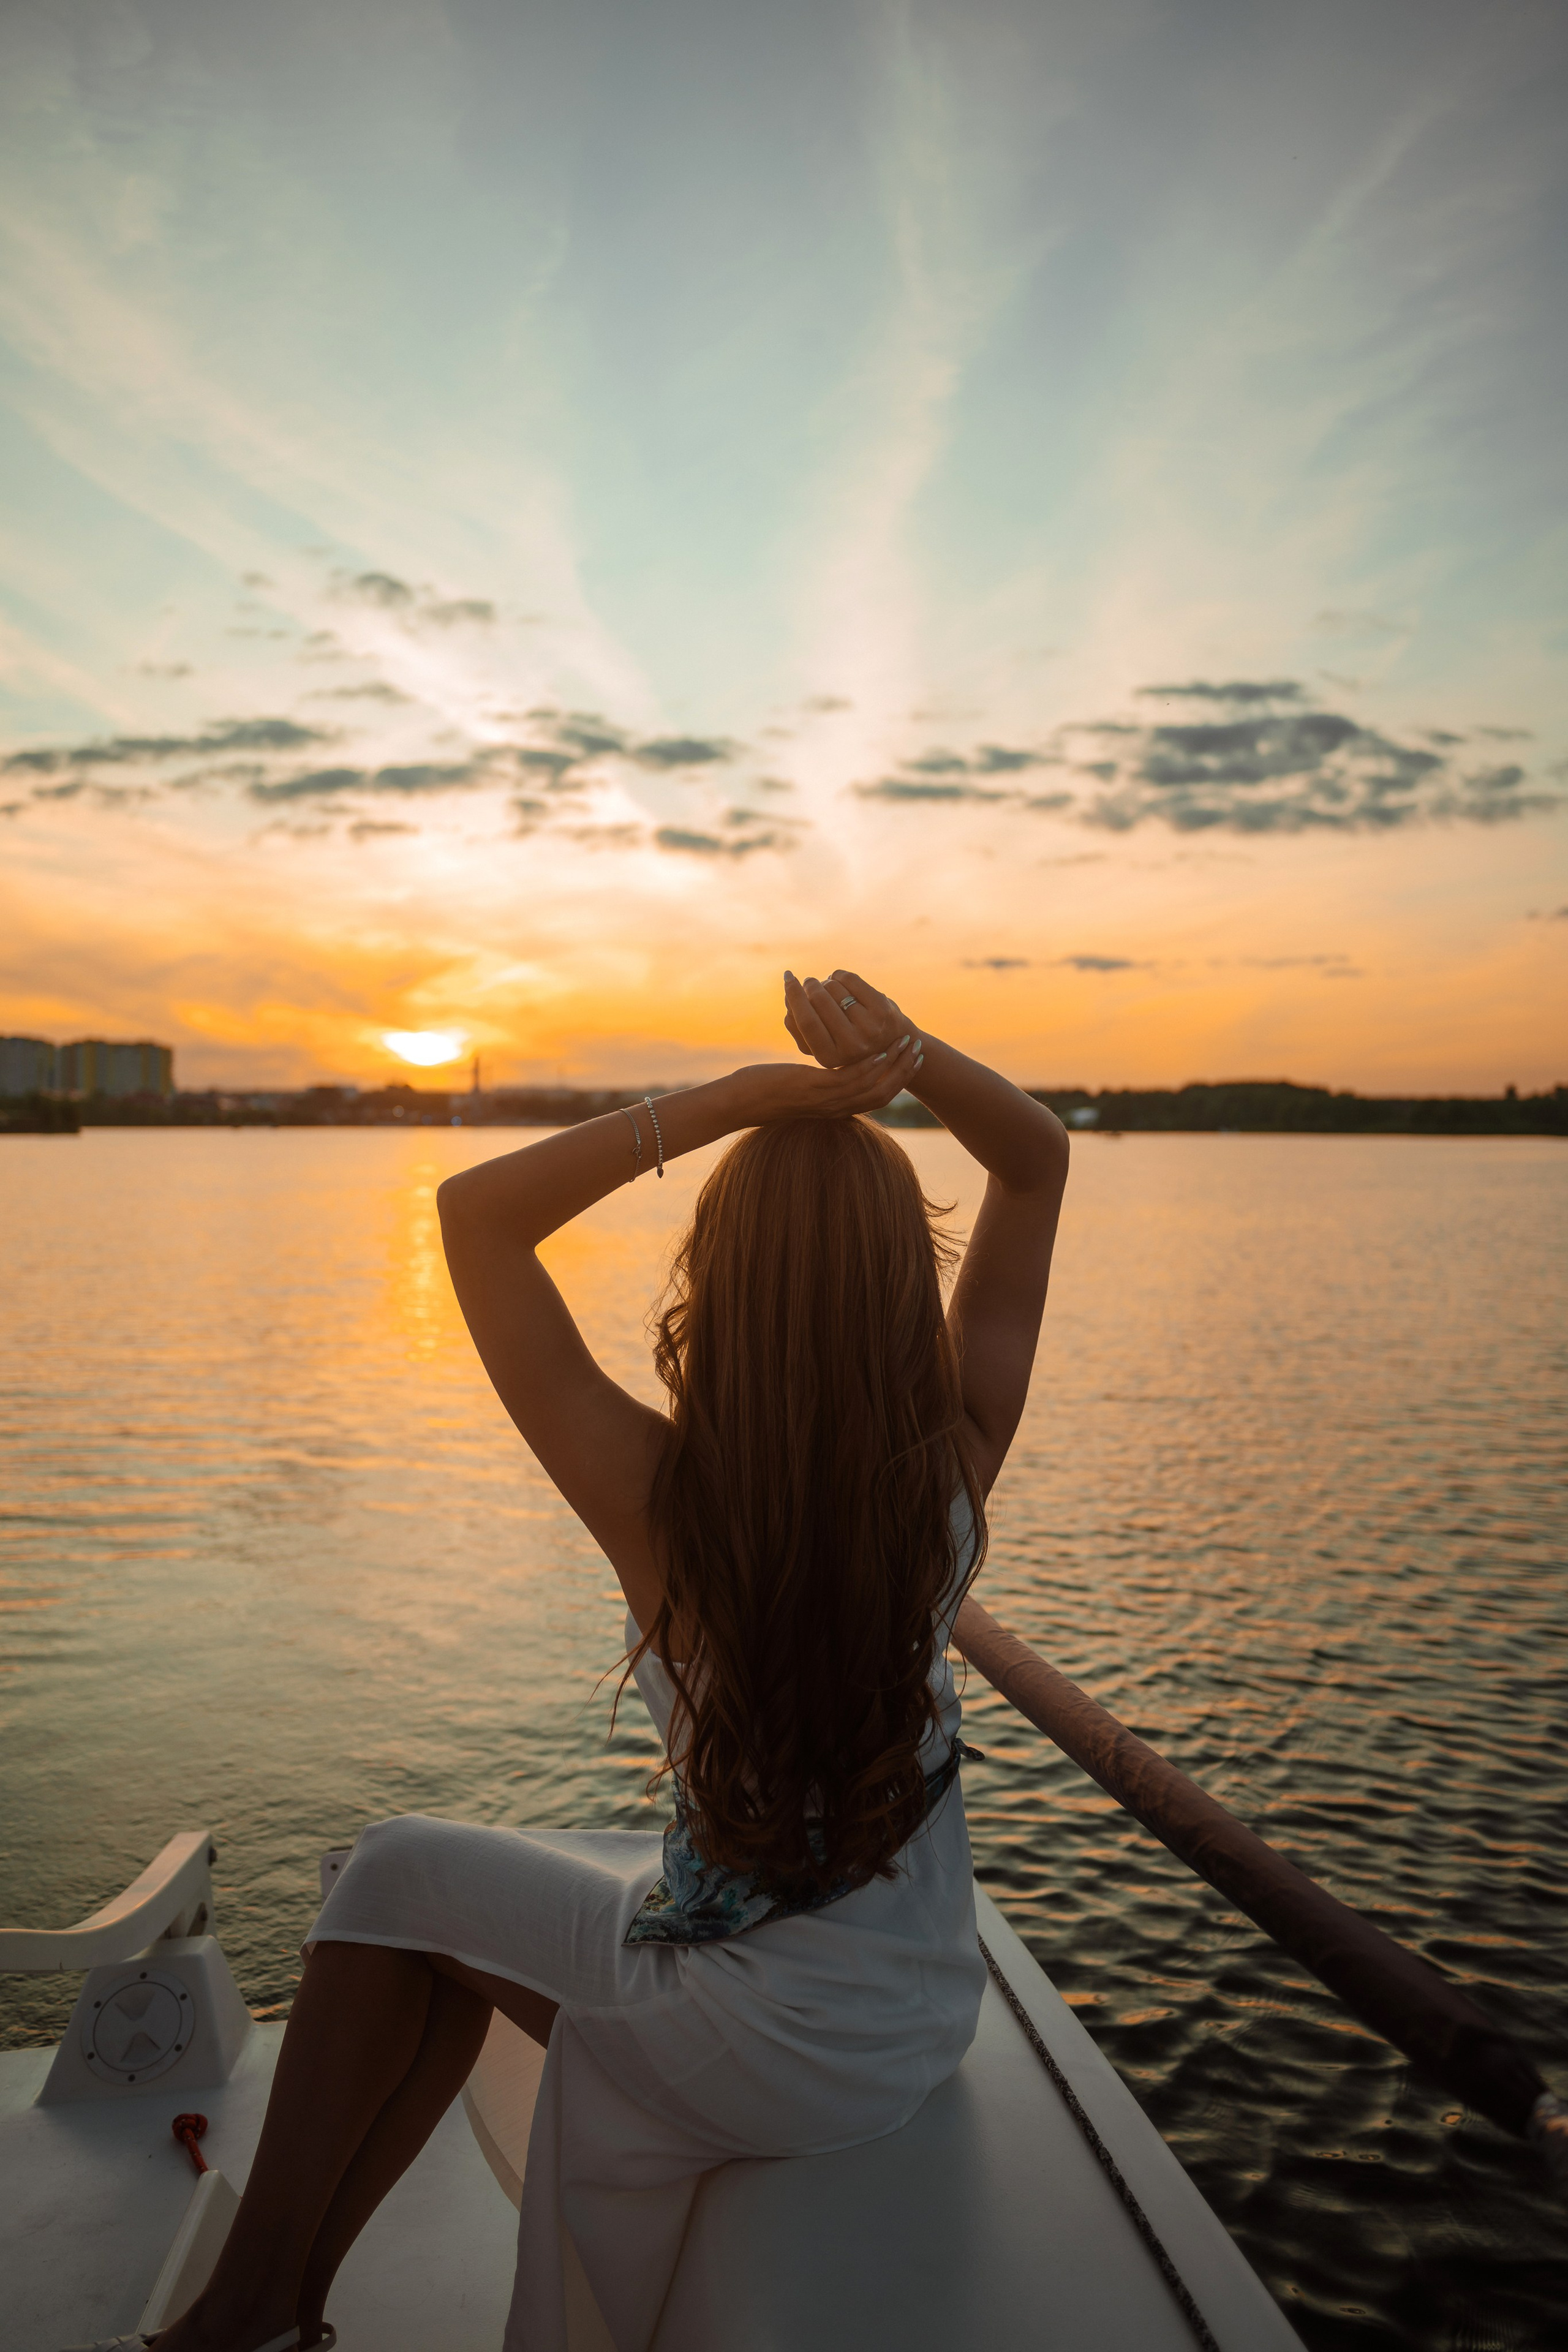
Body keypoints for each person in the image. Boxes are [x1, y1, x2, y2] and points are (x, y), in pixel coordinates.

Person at [115, 968, 1068, 2352]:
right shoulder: (954, 1471)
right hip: (915, 2020)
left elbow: (475, 1217)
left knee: (388, 1874)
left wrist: (739, 1102)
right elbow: (1035, 1161)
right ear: (896, 1287)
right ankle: (274, 2303)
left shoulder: (651, 1491)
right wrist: (905, 1058)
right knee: (423, 1913)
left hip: (758, 2042)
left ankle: (254, 2310)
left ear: (715, 1286)